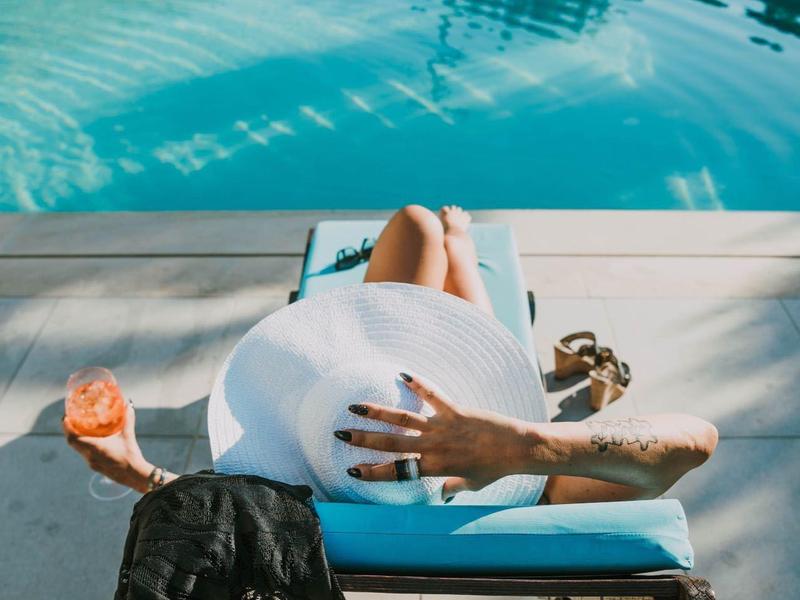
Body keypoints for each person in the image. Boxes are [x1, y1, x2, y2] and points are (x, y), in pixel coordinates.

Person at [63, 204, 718, 504]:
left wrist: (131, 469)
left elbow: (199, 506)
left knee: (415, 225)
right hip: (480, 469)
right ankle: (459, 255)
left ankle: (453, 254)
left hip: (371, 455)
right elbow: (694, 441)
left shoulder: (294, 510)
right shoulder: (519, 498)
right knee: (422, 227)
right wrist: (520, 446)